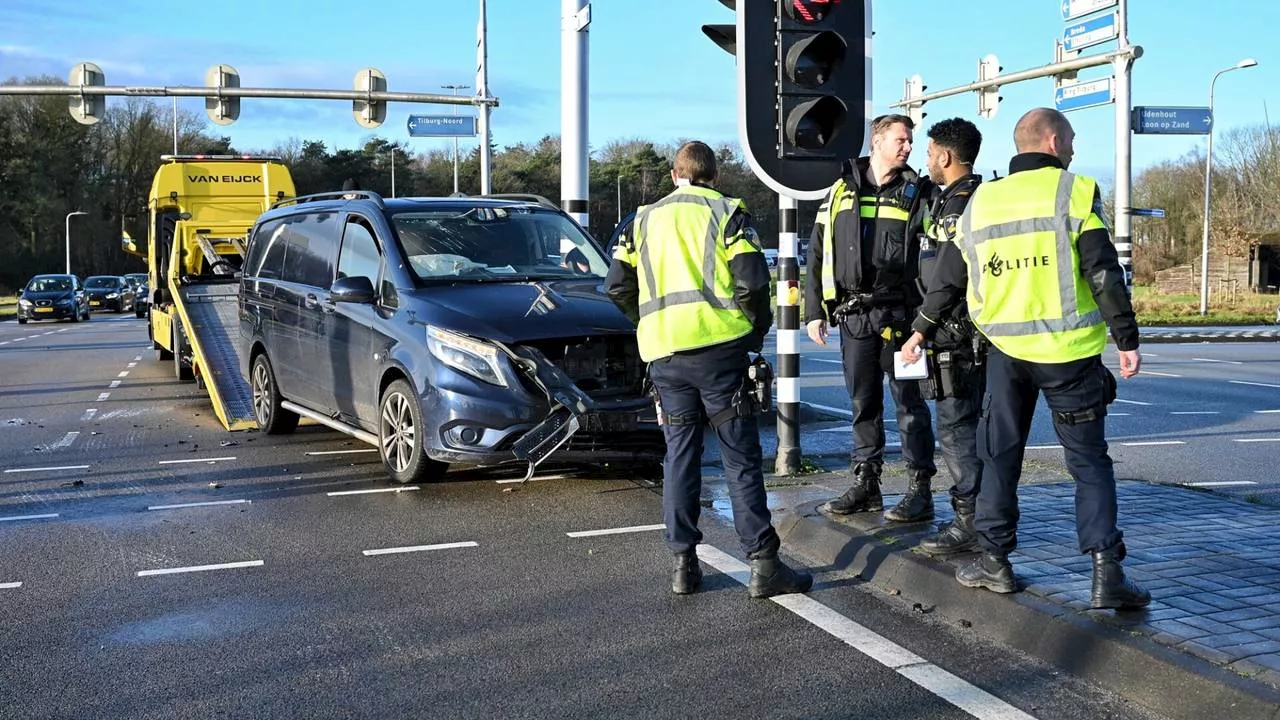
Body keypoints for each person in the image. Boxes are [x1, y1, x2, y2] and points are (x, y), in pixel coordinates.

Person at [899, 107, 1150, 610]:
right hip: (1069, 354)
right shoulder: (1075, 191)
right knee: (1088, 462)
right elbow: (1102, 270)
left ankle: (995, 563)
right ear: (1053, 141)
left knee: (1000, 456)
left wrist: (920, 331)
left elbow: (950, 273)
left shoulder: (983, 199)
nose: (1075, 147)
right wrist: (1126, 337)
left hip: (1005, 354)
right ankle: (1106, 575)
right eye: (1072, 139)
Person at [605, 140, 813, 599]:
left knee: (679, 455)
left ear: (674, 176)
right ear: (714, 176)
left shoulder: (639, 220)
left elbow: (616, 285)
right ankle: (763, 564)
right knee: (739, 458)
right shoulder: (727, 214)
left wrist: (649, 323)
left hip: (665, 354)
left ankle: (683, 565)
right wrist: (753, 334)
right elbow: (754, 283)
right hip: (719, 352)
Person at [805, 114, 938, 523]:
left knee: (910, 405)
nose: (908, 147)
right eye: (901, 139)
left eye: (911, 142)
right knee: (863, 404)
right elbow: (817, 251)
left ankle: (920, 490)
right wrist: (814, 310)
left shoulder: (918, 191)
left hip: (903, 319)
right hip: (854, 316)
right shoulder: (842, 188)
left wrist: (929, 319)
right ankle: (867, 484)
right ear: (877, 141)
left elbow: (936, 255)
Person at [909, 118, 987, 556]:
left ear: (945, 156)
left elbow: (948, 276)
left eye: (929, 152)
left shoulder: (962, 204)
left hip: (955, 334)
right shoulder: (958, 198)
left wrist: (921, 327)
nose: (927, 160)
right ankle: (977, 515)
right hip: (958, 330)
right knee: (964, 428)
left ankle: (969, 522)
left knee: (958, 431)